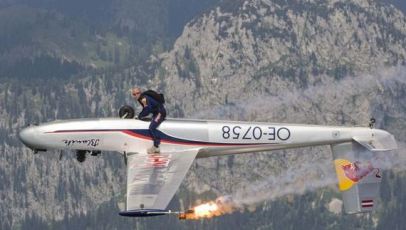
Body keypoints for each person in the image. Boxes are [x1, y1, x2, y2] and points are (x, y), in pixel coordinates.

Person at [131, 87, 166, 154]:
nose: (136, 95)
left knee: (152, 127)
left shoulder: (143, 99)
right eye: (134, 94)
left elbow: (147, 110)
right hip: (156, 113)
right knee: (152, 124)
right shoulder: (142, 98)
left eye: (137, 93)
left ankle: (156, 146)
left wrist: (140, 116)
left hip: (160, 113)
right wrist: (140, 115)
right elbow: (146, 109)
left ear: (140, 93)